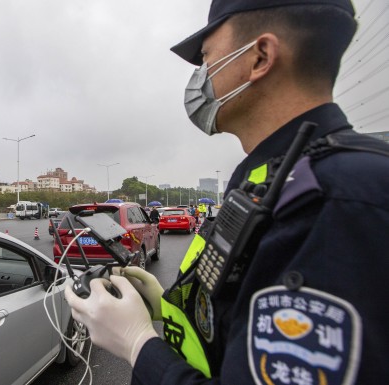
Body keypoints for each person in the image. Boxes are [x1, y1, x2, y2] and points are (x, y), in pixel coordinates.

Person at [65, 1, 389, 384]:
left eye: (205, 58)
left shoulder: (340, 199)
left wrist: (139, 345)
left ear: (260, 57)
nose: (200, 76)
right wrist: (163, 305)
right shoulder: (271, 177)